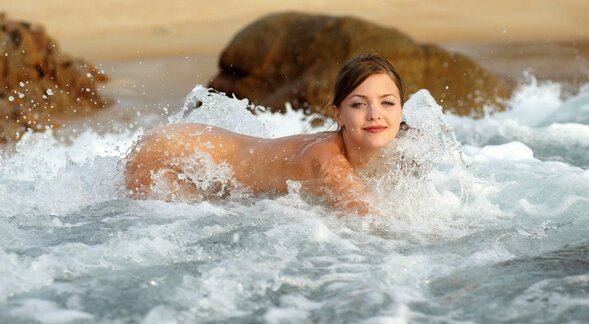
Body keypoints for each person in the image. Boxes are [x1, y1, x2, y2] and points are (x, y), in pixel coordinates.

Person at [125, 53, 407, 215]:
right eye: (358, 104)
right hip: (167, 154)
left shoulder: (400, 143)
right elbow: (371, 221)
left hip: (194, 143)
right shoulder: (327, 160)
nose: (375, 114)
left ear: (402, 111)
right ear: (338, 114)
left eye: (387, 102)